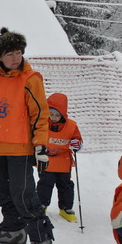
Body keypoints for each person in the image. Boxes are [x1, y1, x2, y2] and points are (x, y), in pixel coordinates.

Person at [0, 27, 53, 244]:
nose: (15, 58)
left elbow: (39, 114)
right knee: (2, 192)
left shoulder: (30, 79)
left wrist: (40, 145)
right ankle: (14, 230)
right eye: (9, 54)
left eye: (18, 52)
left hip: (20, 148)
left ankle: (42, 239)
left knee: (24, 195)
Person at [37, 92, 83, 222]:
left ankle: (65, 208)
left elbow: (78, 141)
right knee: (45, 184)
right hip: (47, 161)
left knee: (65, 185)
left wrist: (77, 144)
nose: (54, 117)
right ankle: (42, 205)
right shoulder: (42, 123)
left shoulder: (71, 126)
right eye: (51, 114)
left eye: (57, 115)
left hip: (64, 162)